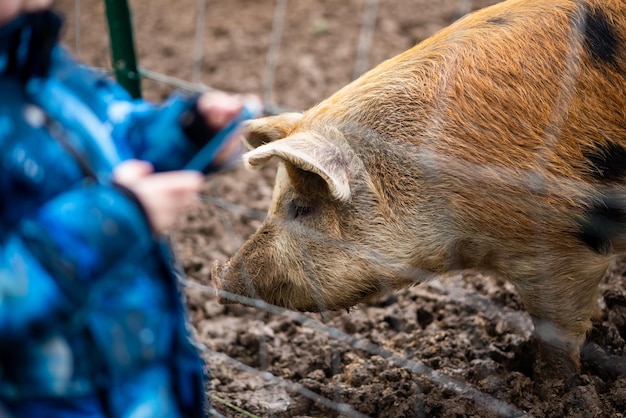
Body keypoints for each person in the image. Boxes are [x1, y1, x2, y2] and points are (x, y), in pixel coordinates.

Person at [0, 0, 260, 416]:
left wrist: (187, 131)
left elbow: (118, 133)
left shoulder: (42, 64)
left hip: (146, 385)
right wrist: (117, 218)